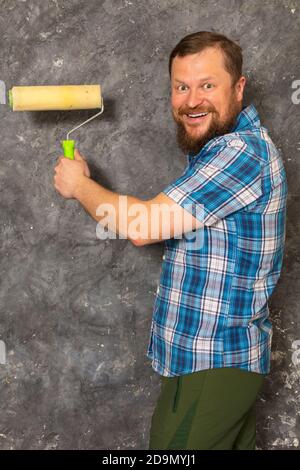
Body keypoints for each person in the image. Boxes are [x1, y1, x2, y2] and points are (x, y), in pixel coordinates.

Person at [53, 31, 288, 450]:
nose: (191, 100)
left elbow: (142, 226)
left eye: (207, 86)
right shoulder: (219, 151)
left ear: (238, 88)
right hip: (219, 365)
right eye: (181, 87)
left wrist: (79, 186)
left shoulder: (239, 153)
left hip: (211, 363)